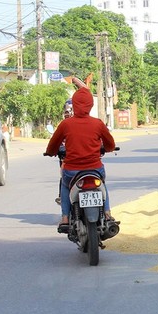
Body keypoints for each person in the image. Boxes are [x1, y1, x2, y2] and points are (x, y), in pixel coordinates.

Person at [45, 77, 116, 231]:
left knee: (64, 186)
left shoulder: (66, 124)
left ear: (74, 105)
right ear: (91, 105)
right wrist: (108, 149)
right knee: (102, 185)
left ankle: (65, 218)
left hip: (71, 171)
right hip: (95, 169)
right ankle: (108, 213)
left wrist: (50, 152)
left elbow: (52, 145)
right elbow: (110, 144)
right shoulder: (97, 123)